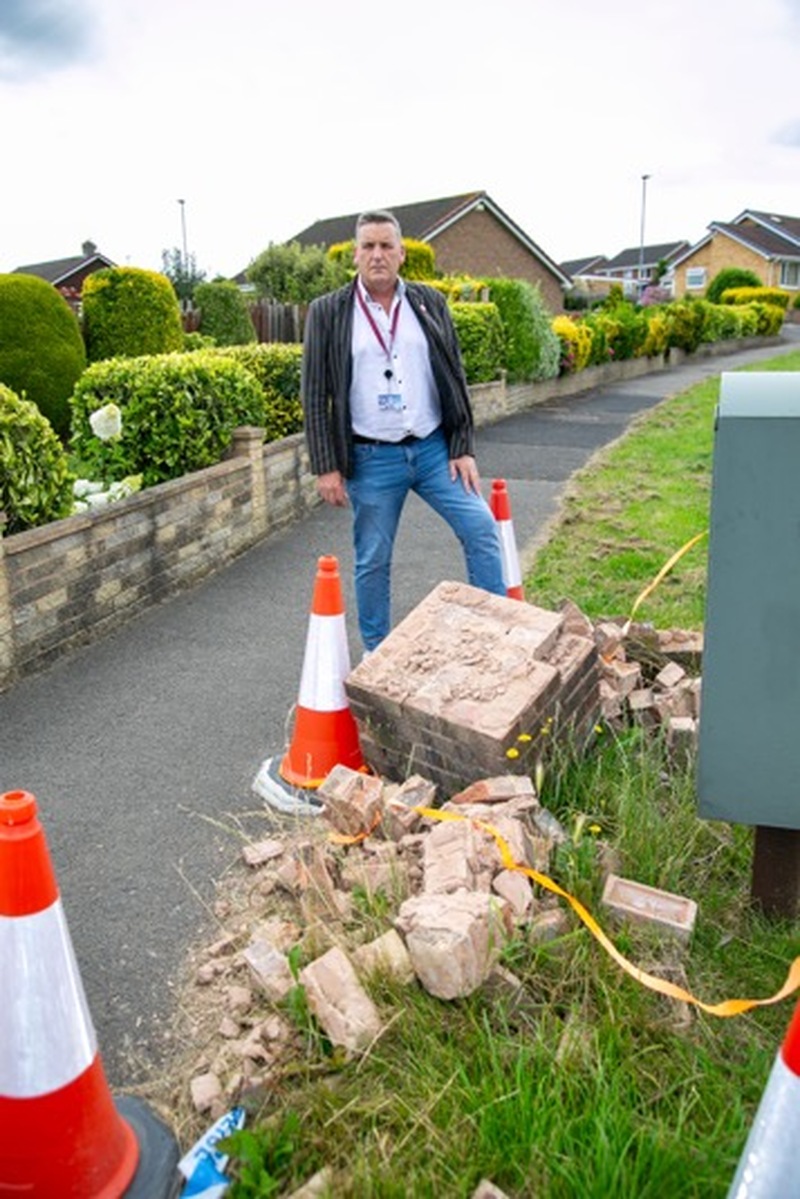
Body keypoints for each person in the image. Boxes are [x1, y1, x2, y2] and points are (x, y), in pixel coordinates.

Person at [301, 209, 507, 652]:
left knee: (482, 529)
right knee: (373, 561)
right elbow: (315, 395)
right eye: (368, 246)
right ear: (355, 254)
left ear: (401, 254)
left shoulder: (430, 302)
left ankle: (497, 636)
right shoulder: (328, 312)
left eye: (386, 246)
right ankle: (377, 651)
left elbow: (454, 375)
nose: (377, 255)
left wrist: (462, 446)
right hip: (371, 459)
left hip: (434, 451)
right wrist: (326, 466)